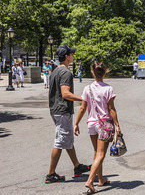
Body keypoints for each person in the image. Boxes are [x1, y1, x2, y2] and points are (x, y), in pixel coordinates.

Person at [45, 45, 90, 184]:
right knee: (60, 142)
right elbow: (65, 93)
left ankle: (77, 166)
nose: (73, 56)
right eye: (72, 54)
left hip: (56, 110)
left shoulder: (55, 71)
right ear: (66, 57)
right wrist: (83, 98)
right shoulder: (66, 72)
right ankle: (51, 174)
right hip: (62, 111)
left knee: (68, 138)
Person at [75, 61, 121, 194]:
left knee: (96, 153)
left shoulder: (87, 89)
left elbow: (83, 108)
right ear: (105, 72)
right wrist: (117, 125)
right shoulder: (108, 89)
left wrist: (76, 123)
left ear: (92, 72)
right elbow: (111, 109)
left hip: (92, 125)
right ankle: (90, 181)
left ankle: (100, 179)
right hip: (104, 124)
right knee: (101, 154)